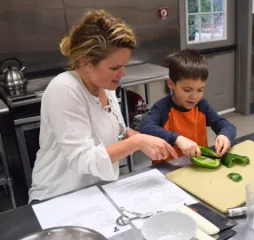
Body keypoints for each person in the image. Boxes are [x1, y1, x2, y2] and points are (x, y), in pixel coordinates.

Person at [28, 10, 177, 202]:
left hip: (96, 192)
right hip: (58, 197)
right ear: (86, 62)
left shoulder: (105, 87)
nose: (122, 74)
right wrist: (137, 143)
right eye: (115, 68)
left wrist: (149, 140)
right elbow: (83, 159)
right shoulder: (64, 89)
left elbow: (119, 131)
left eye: (124, 65)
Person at [138, 49, 236, 164]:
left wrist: (225, 136)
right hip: (168, 169)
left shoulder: (202, 106)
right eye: (187, 90)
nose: (194, 96)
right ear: (171, 84)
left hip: (197, 165)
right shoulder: (163, 107)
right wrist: (177, 139)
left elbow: (226, 125)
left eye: (200, 90)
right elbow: (145, 127)